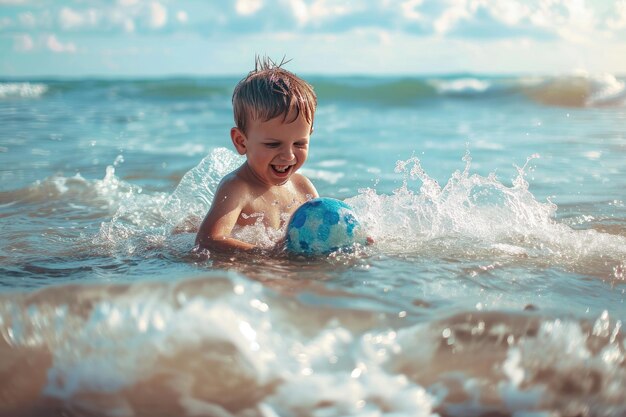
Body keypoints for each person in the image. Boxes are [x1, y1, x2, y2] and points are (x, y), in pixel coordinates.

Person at [195, 57, 319, 252]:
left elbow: (322, 227)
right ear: (241, 141)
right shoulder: (237, 188)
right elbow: (208, 241)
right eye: (272, 144)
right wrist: (266, 254)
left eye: (299, 143)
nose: (288, 155)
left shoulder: (302, 186)